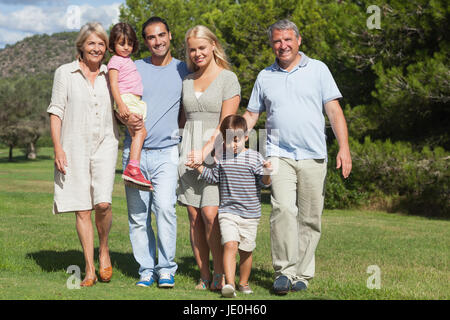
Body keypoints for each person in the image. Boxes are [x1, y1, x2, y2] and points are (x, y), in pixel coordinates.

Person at [243, 19, 352, 294]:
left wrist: (344, 148)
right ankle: (284, 271)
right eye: (278, 41)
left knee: (310, 217)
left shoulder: (318, 70)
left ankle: (303, 274)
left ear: (299, 40)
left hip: (313, 155)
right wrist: (232, 138)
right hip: (279, 154)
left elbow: (335, 111)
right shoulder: (264, 76)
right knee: (282, 210)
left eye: (288, 39)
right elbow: (252, 114)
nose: (283, 45)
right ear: (272, 44)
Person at [116, 17, 189, 288]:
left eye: (161, 35)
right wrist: (122, 116)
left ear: (170, 35)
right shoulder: (133, 67)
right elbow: (119, 102)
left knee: (166, 209)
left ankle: (166, 269)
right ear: (144, 41)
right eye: (150, 37)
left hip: (167, 153)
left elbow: (187, 107)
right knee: (138, 216)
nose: (157, 41)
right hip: (134, 153)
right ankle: (146, 269)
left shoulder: (184, 68)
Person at [47, 22, 119, 287]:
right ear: (81, 46)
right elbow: (56, 111)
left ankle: (104, 248)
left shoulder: (111, 74)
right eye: (92, 43)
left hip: (106, 144)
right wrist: (58, 148)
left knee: (103, 203)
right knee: (82, 208)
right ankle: (89, 268)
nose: (97, 48)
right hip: (73, 145)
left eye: (101, 44)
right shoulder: (64, 73)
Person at [177, 25, 240, 291]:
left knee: (211, 215)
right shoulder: (187, 81)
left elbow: (227, 123)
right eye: (192, 49)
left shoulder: (228, 79)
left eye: (202, 47)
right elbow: (182, 121)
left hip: (215, 154)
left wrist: (204, 153)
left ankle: (220, 272)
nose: (197, 53)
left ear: (213, 45)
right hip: (187, 154)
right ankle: (204, 275)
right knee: (194, 217)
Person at [187, 114, 272, 298]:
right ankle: (230, 284)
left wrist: (267, 172)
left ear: (246, 138)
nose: (233, 144)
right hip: (228, 211)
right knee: (230, 244)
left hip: (250, 214)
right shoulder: (222, 159)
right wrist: (198, 167)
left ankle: (244, 282)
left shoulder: (255, 157)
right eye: (228, 140)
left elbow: (265, 183)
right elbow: (214, 178)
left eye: (237, 140)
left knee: (246, 251)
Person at [108, 22, 151, 188]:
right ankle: (133, 168)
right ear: (113, 44)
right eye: (121, 43)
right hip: (126, 100)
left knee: (136, 134)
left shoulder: (127, 60)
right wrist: (121, 105)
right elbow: (113, 85)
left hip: (133, 101)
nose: (126, 47)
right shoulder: (115, 61)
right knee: (141, 131)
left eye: (130, 43)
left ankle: (133, 169)